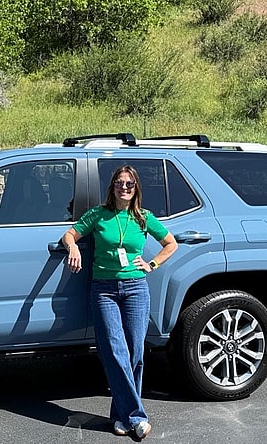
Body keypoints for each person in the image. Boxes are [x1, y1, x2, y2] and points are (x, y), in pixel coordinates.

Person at [61, 165, 178, 439]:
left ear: (136, 188)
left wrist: (151, 264)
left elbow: (171, 243)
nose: (124, 188)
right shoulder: (98, 214)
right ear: (112, 187)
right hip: (104, 290)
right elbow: (70, 234)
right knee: (115, 351)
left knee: (135, 352)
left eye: (129, 184)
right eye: (119, 183)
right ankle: (137, 417)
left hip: (136, 288)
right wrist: (73, 247)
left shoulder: (144, 218)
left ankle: (121, 416)